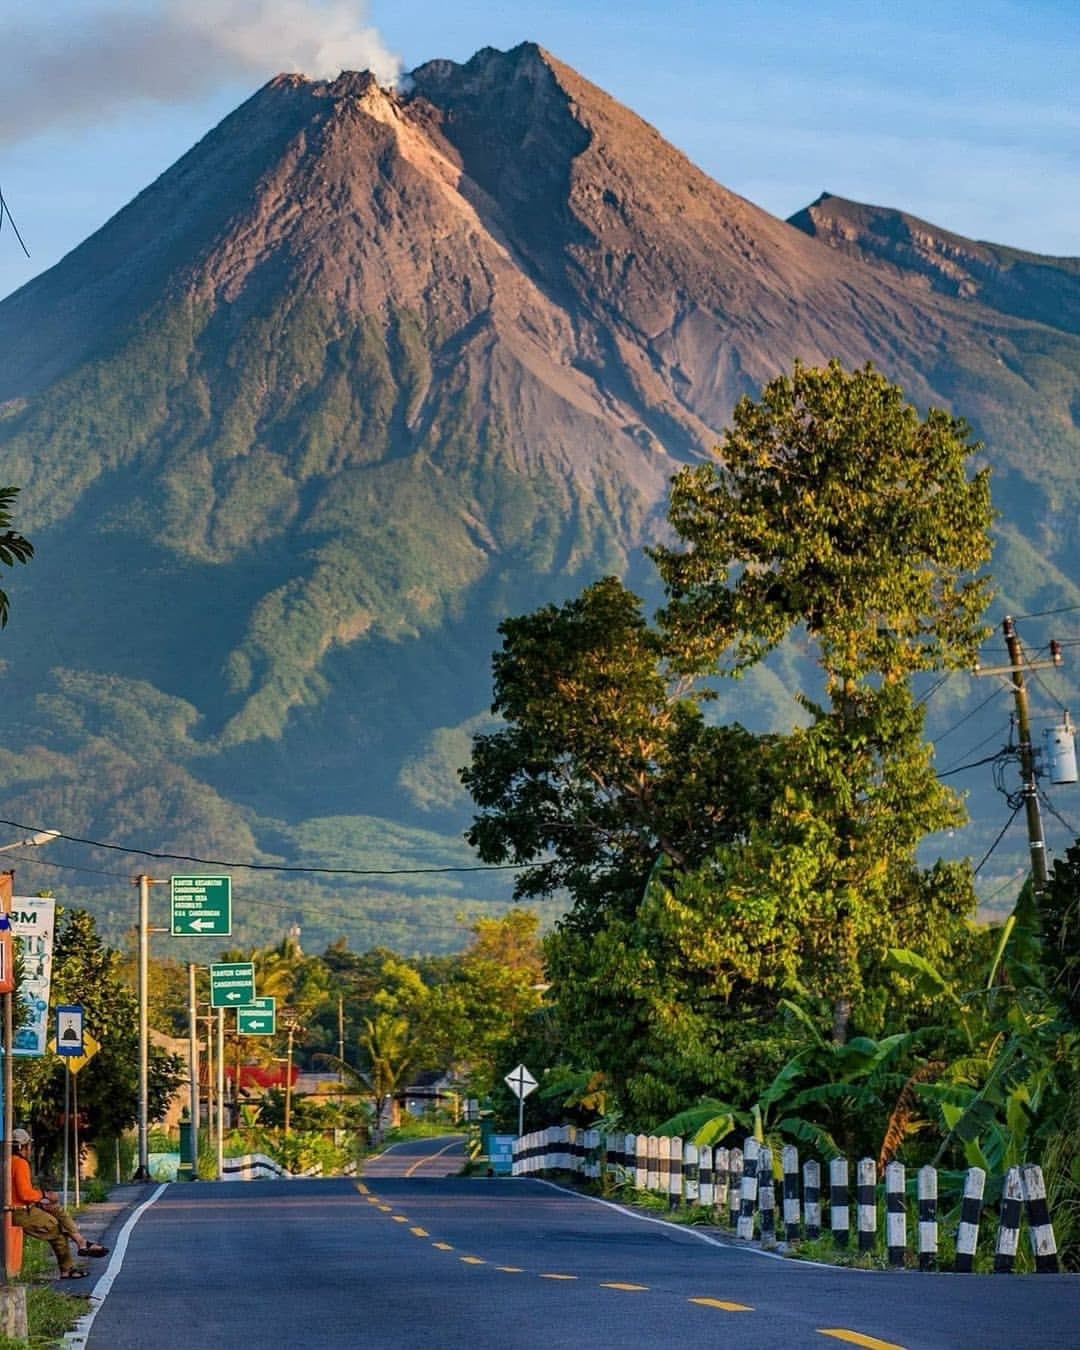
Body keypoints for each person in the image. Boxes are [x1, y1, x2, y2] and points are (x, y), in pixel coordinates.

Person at [10, 1127, 108, 1279]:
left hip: (18, 1208)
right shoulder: (20, 1164)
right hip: (20, 1211)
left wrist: (40, 1201)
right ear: (22, 1147)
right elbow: (24, 1194)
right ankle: (68, 1267)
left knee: (56, 1210)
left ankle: (81, 1242)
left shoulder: (7, 1162)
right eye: (29, 1145)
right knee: (57, 1230)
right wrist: (44, 1194)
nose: (30, 1149)